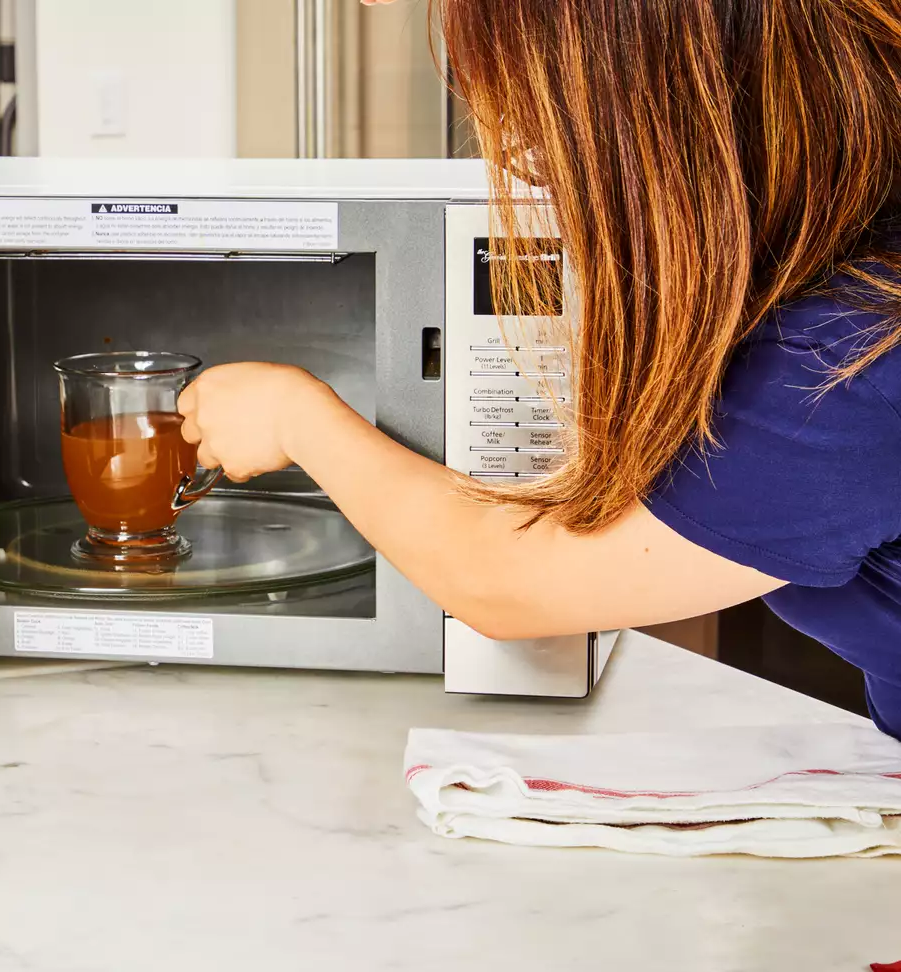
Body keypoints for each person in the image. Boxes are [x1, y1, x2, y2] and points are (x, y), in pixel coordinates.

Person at [178, 0, 901, 738]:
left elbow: (506, 585)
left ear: (657, 105)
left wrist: (292, 416)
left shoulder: (851, 359)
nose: (521, 158)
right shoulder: (853, 283)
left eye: (535, 103)